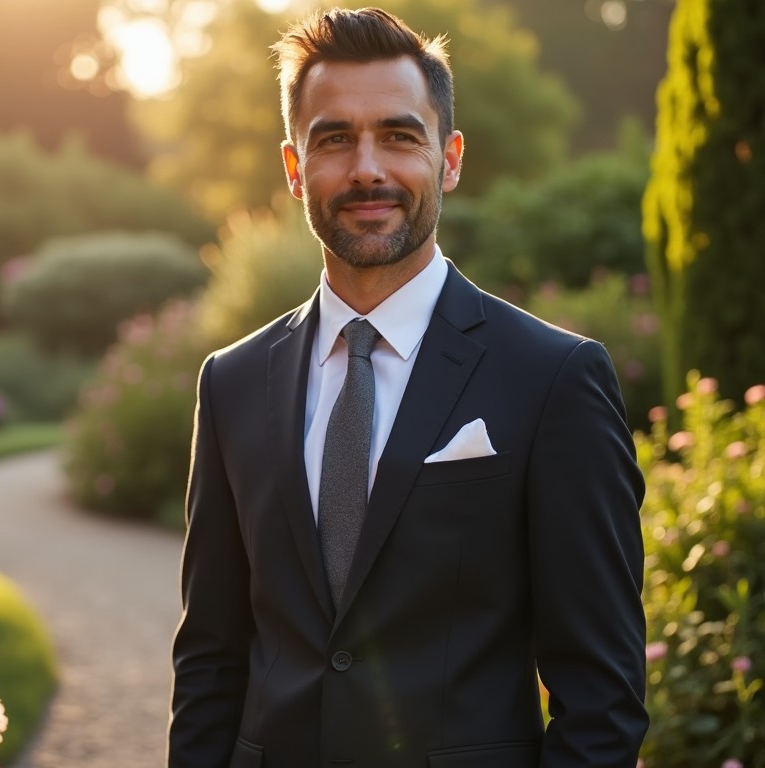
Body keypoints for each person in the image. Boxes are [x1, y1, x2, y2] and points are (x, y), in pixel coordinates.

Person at [168, 7, 648, 768]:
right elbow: (210, 662)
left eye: (398, 135)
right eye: (334, 139)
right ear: (294, 168)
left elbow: (603, 695)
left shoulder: (554, 379)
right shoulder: (230, 384)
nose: (367, 168)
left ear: (448, 158)